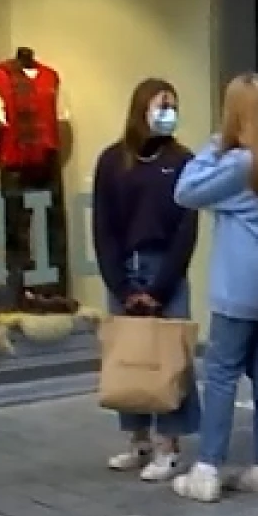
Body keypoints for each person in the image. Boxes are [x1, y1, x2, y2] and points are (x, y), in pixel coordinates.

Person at [170, 73, 258, 503]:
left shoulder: (239, 162)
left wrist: (216, 144)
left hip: (240, 283)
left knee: (223, 372)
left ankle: (208, 466)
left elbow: (185, 191)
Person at [93, 78, 201, 481]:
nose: (168, 112)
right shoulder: (112, 161)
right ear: (141, 109)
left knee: (170, 357)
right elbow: (103, 226)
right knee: (128, 353)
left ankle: (169, 445)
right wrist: (121, 285)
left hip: (164, 268)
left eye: (173, 105)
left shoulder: (184, 161)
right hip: (125, 267)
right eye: (160, 105)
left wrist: (159, 288)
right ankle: (136, 438)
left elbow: (186, 229)